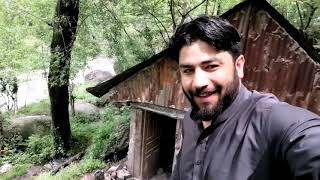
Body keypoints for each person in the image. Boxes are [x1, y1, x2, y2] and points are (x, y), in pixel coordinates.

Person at [168, 15, 320, 180]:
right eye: (188, 70)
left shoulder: (273, 122)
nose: (198, 83)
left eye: (211, 66)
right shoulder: (190, 119)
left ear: (238, 66)